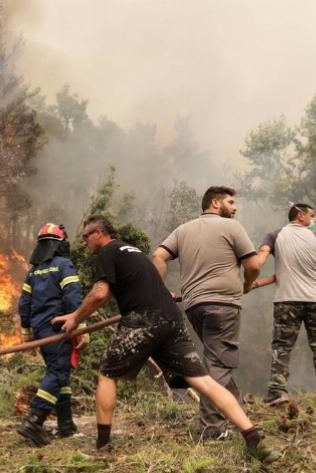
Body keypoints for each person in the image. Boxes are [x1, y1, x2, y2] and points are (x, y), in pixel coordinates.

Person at [53, 215, 278, 464]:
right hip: (171, 320)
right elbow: (143, 286)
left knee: (107, 374)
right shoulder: (134, 252)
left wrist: (74, 318)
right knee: (204, 381)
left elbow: (99, 293)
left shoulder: (108, 251)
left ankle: (103, 446)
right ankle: (253, 439)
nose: (84, 242)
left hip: (145, 318)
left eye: (86, 236)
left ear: (99, 234)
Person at [150, 185, 260, 440]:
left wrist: (161, 290)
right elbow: (253, 264)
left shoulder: (183, 230)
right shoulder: (232, 227)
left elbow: (158, 256)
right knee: (219, 364)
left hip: (195, 307)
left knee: (216, 358)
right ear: (214, 203)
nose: (235, 207)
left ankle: (239, 416)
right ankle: (212, 428)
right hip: (223, 305)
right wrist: (246, 284)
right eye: (230, 202)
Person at [16, 223, 88, 446]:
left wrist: (26, 328)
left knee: (60, 374)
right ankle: (33, 422)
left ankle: (66, 426)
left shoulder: (34, 272)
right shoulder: (64, 265)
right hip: (60, 328)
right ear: (59, 245)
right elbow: (72, 296)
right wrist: (80, 323)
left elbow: (25, 302)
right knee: (57, 373)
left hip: (40, 331)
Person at [248, 203, 316, 406]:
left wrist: (254, 279)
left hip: (287, 300)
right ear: (301, 215)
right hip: (314, 299)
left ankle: (277, 392)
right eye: (312, 215)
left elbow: (267, 260)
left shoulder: (274, 235)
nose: (314, 219)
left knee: (282, 347)